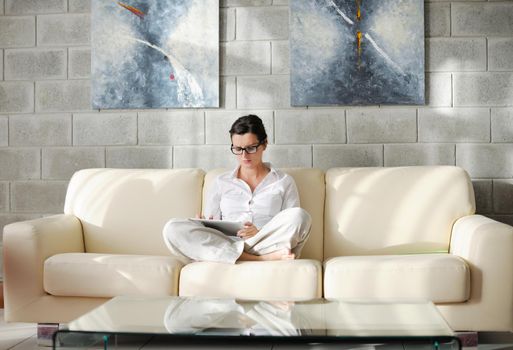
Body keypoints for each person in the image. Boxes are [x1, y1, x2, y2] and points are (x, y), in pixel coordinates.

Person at [162, 114, 311, 264]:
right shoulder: (221, 182)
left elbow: (290, 224)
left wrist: (259, 232)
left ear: (264, 144)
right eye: (238, 149)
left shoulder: (284, 181)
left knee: (300, 216)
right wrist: (204, 223)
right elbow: (212, 226)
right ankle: (260, 259)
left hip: (266, 242)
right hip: (228, 242)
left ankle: (240, 255)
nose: (244, 155)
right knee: (172, 228)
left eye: (251, 148)